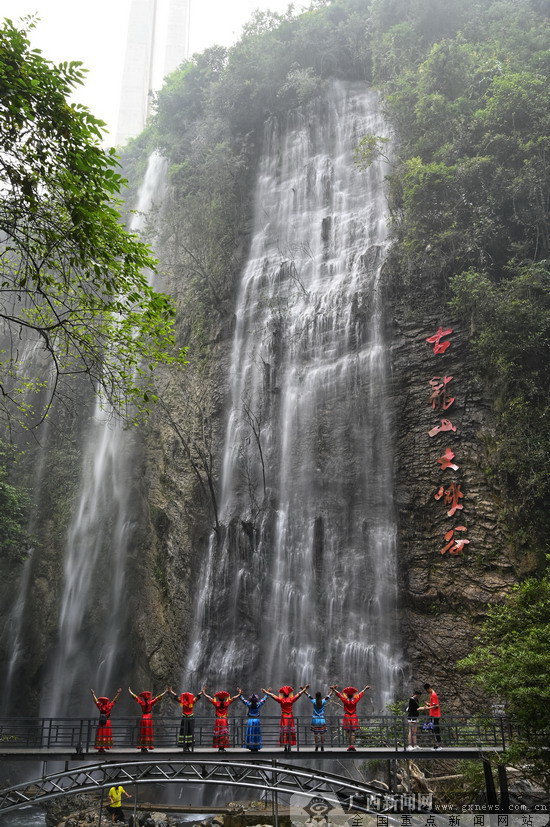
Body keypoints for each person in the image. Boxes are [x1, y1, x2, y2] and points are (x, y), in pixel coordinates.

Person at [262, 684, 309, 752]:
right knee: (290, 731)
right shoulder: (291, 700)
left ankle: (285, 746)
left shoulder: (281, 701)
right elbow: (299, 694)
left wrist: (266, 692)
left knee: (284, 731)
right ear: (289, 694)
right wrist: (305, 689)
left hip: (284, 717)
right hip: (290, 717)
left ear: (283, 694)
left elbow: (272, 695)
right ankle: (289, 745)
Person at [330, 684, 371, 751]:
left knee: (348, 731)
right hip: (353, 716)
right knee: (353, 732)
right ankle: (353, 745)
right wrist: (365, 689)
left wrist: (334, 690)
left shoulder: (345, 700)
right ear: (353, 695)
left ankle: (349, 745)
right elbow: (360, 694)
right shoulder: (355, 699)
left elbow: (340, 695)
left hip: (347, 716)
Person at [128, 687, 168, 752]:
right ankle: (147, 745)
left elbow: (135, 697)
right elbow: (158, 698)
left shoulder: (142, 703)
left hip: (143, 718)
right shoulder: (150, 703)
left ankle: (142, 746)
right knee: (148, 732)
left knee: (143, 731)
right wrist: (165, 692)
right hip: (149, 718)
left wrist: (130, 691)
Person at [203, 686, 241, 751]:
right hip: (224, 720)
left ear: (219, 699)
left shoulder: (216, 703)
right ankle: (222, 746)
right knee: (223, 733)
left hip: (218, 720)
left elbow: (209, 698)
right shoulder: (226, 703)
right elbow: (233, 698)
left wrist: (204, 692)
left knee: (218, 733)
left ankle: (219, 747)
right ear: (224, 699)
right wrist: (239, 693)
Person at [168, 685, 203, 751]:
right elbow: (197, 697)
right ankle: (189, 746)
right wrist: (202, 692)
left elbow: (176, 697)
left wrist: (171, 691)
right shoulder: (192, 702)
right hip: (190, 718)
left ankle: (184, 746)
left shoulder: (182, 702)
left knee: (184, 731)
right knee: (190, 732)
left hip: (184, 718)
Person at [90, 687, 121, 753]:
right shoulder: (109, 706)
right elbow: (114, 700)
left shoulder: (100, 706)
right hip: (107, 722)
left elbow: (96, 701)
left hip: (101, 721)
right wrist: (118, 693)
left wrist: (93, 694)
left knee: (101, 734)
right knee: (106, 734)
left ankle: (100, 748)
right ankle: (105, 746)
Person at [423, 682, 442, 748]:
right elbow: (433, 704)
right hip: (434, 714)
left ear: (429, 688)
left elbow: (436, 705)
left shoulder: (433, 695)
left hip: (435, 715)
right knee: (434, 729)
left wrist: (428, 707)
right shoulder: (432, 694)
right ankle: (437, 743)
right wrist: (428, 704)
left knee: (435, 729)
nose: (427, 691)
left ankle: (438, 743)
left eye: (426, 690)